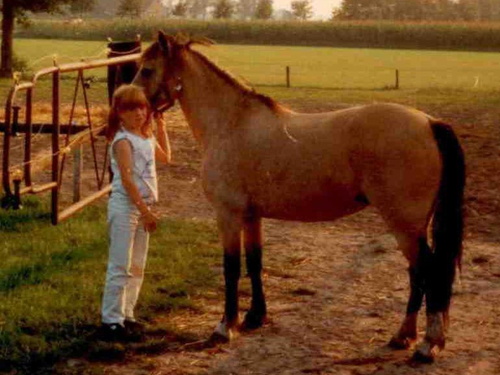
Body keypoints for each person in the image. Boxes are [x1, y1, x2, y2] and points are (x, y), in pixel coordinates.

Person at [99, 84, 171, 342]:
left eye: (141, 107)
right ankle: (110, 320)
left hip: (143, 207)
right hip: (126, 206)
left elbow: (166, 158)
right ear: (119, 113)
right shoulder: (122, 141)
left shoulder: (145, 137)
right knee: (120, 264)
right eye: (131, 109)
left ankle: (127, 314)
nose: (139, 113)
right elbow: (127, 181)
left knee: (137, 265)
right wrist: (145, 211)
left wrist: (161, 129)